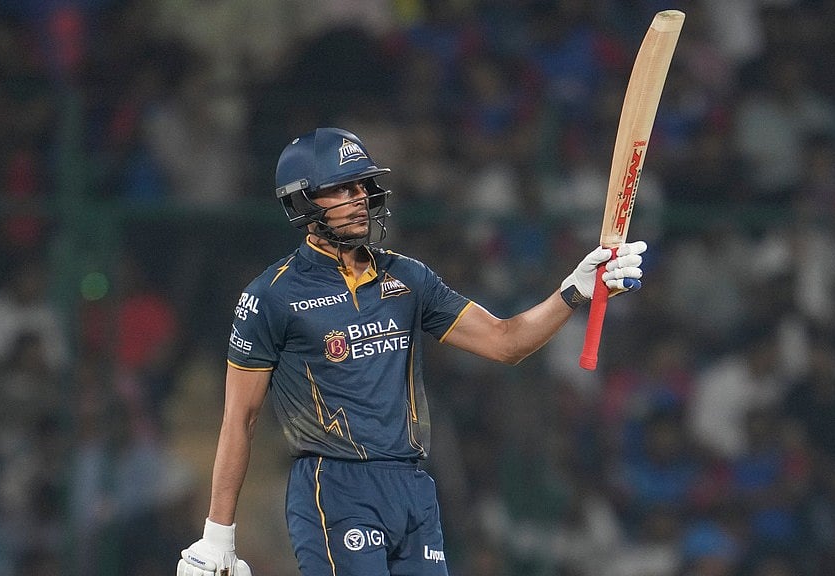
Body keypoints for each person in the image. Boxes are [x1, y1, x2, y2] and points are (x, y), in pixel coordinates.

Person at [176, 127, 647, 576]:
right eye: (341, 189)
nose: (360, 197)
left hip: (413, 488)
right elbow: (240, 418)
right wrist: (219, 533)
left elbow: (506, 343)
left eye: (363, 185)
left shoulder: (409, 279)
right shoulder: (271, 297)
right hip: (334, 488)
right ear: (303, 201)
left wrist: (575, 290)